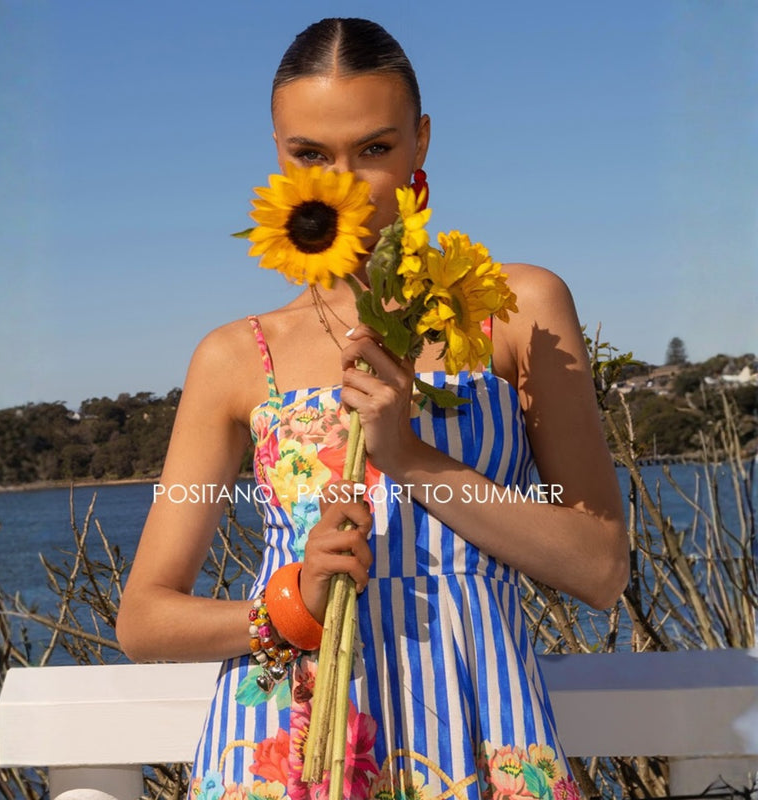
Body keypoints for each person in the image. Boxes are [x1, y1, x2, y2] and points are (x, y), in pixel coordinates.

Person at [116, 17, 628, 800]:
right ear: (278, 154)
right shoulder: (235, 357)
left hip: (479, 738)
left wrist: (408, 457)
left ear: (421, 141)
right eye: (310, 155)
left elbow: (600, 567)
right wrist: (292, 606)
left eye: (375, 149)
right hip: (284, 749)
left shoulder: (516, 307)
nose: (345, 184)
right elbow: (144, 618)